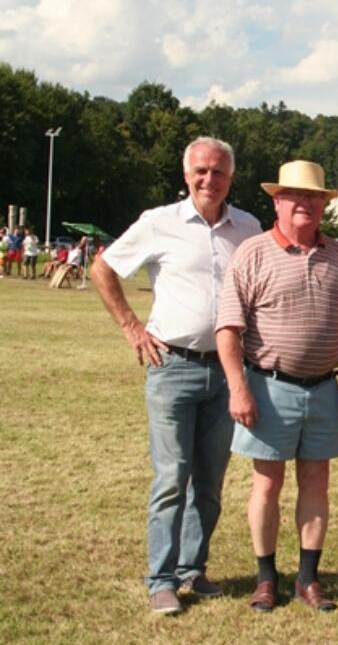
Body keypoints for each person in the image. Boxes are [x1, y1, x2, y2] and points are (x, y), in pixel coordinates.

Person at [91, 137, 261, 615]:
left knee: (209, 482)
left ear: (231, 177)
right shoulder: (157, 223)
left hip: (228, 371)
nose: (210, 179)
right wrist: (131, 326)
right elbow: (103, 268)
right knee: (171, 478)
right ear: (186, 175)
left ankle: (193, 569)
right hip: (173, 368)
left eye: (219, 172)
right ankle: (161, 579)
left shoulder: (247, 227)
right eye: (201, 171)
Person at [216, 160, 338, 613]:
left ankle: (308, 578)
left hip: (324, 388)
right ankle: (266, 578)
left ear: (325, 204)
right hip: (267, 385)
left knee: (317, 483)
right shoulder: (252, 252)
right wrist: (237, 387)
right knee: (267, 484)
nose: (305, 203)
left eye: (315, 197)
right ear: (277, 201)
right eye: (295, 195)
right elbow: (228, 326)